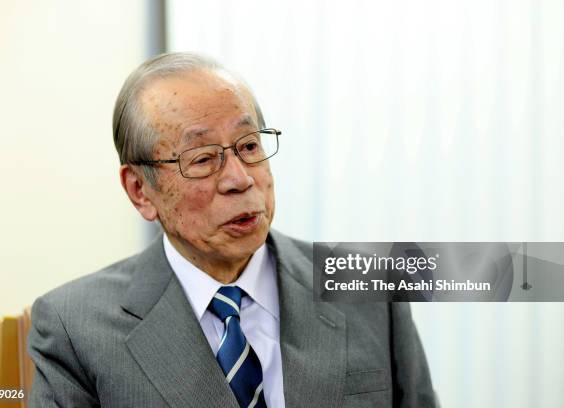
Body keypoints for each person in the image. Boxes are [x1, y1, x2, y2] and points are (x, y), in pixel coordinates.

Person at [28, 52, 437, 408]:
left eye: (249, 146)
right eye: (203, 158)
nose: (239, 179)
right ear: (140, 190)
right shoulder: (73, 328)